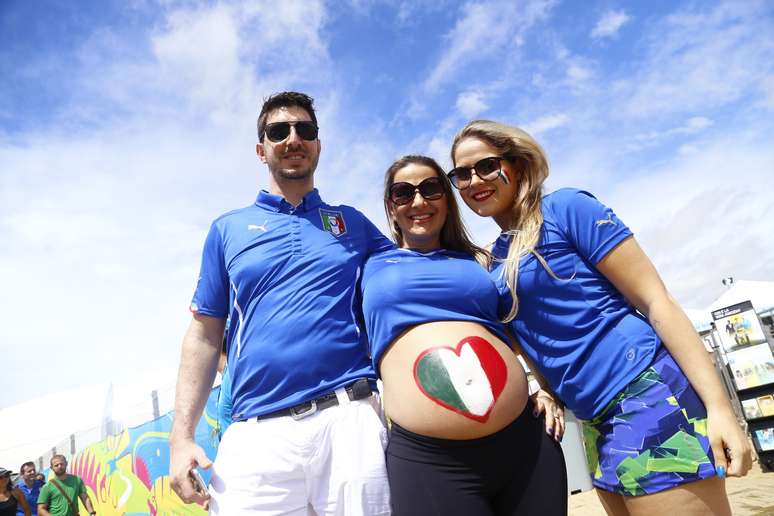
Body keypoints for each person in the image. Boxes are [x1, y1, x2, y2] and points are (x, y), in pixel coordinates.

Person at [448, 120, 752, 516]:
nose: (474, 180)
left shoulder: (565, 209)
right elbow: (534, 338)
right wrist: (546, 390)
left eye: (486, 166)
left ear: (518, 163)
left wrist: (721, 409)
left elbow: (655, 300)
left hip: (645, 394)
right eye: (461, 174)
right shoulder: (494, 260)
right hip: (593, 424)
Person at [169, 91, 392, 515]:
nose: (293, 139)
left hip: (350, 420)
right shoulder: (226, 229)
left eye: (305, 130)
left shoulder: (352, 223)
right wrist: (181, 440)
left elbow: (409, 278)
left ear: (318, 145)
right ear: (261, 149)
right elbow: (203, 336)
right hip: (256, 434)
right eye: (278, 131)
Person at [360, 155, 567, 516]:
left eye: (431, 188)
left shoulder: (481, 261)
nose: (419, 201)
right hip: (431, 461)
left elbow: (523, 327)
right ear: (391, 207)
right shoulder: (369, 265)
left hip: (525, 446)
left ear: (447, 198)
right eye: (403, 193)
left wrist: (549, 388)